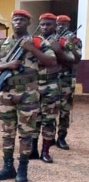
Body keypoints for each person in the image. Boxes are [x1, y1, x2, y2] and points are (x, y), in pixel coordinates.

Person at [0, 10, 56, 182]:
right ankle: (8, 166)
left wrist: (32, 49)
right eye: (16, 19)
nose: (18, 22)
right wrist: (8, 65)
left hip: (28, 93)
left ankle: (23, 169)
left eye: (22, 20)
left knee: (26, 133)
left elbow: (52, 62)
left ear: (28, 23)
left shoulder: (39, 42)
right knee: (7, 132)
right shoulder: (1, 44)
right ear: (12, 22)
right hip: (6, 92)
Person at [30, 13, 74, 163]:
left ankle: (45, 151)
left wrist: (59, 50)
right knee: (34, 118)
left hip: (52, 84)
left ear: (55, 25)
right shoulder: (34, 41)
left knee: (48, 119)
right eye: (42, 24)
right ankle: (33, 150)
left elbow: (72, 61)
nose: (45, 27)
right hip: (35, 84)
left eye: (48, 24)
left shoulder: (62, 41)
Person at [55, 14, 82, 150]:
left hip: (66, 79)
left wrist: (69, 44)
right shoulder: (52, 38)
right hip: (51, 78)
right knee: (49, 109)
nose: (60, 26)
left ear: (68, 25)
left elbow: (75, 59)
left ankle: (61, 137)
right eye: (58, 24)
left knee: (64, 110)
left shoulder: (75, 40)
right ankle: (49, 137)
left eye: (63, 24)